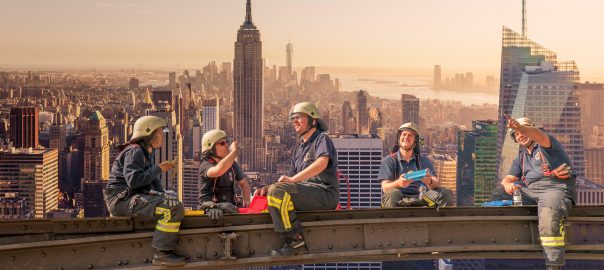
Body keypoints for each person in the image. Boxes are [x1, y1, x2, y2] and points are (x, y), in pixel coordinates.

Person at [104, 116, 185, 267]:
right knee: (173, 209)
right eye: (160, 132)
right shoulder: (135, 152)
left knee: (171, 202)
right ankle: (162, 253)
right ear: (149, 133)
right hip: (121, 200)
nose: (162, 136)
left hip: (130, 198)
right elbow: (134, 181)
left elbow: (151, 181)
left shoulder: (146, 152)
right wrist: (159, 168)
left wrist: (163, 193)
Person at [260, 102, 339, 256]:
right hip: (306, 193)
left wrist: (292, 180)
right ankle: (292, 235)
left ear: (313, 121)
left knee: (277, 191)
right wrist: (267, 188)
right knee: (273, 191)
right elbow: (287, 180)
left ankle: (294, 240)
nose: (295, 121)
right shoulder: (299, 149)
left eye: (300, 117)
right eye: (293, 118)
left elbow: (322, 163)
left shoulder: (322, 139)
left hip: (324, 193)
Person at [501, 116, 575, 270]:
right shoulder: (521, 158)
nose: (520, 135)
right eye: (516, 134)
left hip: (554, 188)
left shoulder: (545, 146)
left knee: (549, 218)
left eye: (522, 131)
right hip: (532, 191)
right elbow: (508, 178)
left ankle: (553, 264)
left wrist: (520, 127)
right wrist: (507, 184)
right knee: (498, 194)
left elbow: (540, 136)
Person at [379, 122, 453, 208]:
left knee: (445, 192)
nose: (406, 137)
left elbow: (436, 183)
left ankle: (439, 220)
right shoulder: (389, 161)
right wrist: (399, 183)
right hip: (398, 199)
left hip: (421, 198)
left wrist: (430, 181)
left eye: (410, 135)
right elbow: (385, 187)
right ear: (399, 138)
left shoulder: (423, 161)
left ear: (415, 141)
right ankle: (395, 220)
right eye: (404, 134)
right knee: (391, 194)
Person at [198, 129, 251, 219]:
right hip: (211, 211)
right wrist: (234, 152)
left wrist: (246, 202)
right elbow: (218, 171)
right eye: (222, 143)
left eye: (227, 142)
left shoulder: (232, 165)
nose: (227, 145)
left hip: (230, 209)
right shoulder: (206, 165)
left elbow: (244, 183)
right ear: (211, 148)